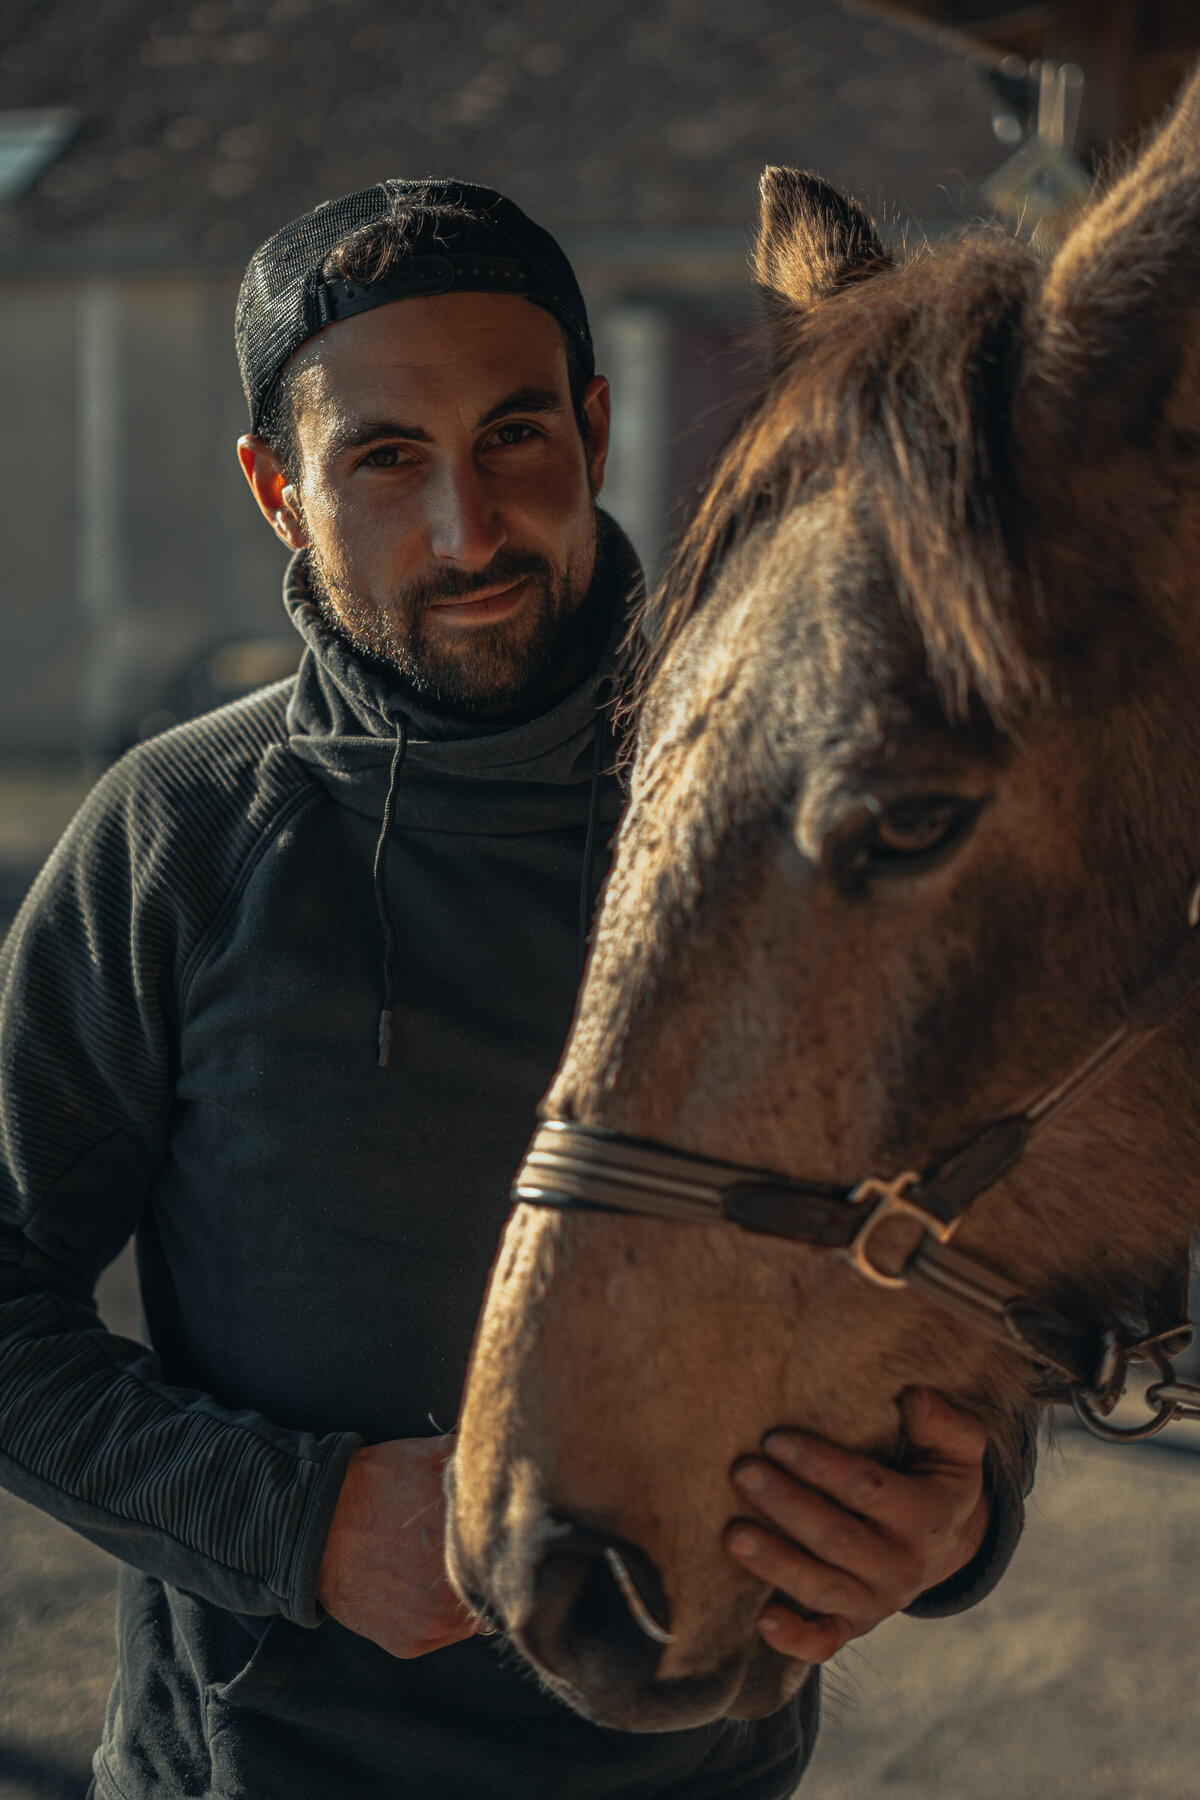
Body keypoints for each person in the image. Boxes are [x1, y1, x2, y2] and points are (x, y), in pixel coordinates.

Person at [0, 180, 1026, 1800]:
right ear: (280, 492)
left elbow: (950, 1231)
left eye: (515, 437)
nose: (468, 531)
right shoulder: (178, 839)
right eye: (385, 459)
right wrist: (302, 1525)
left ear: (597, 429)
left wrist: (962, 1507)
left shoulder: (792, 816)